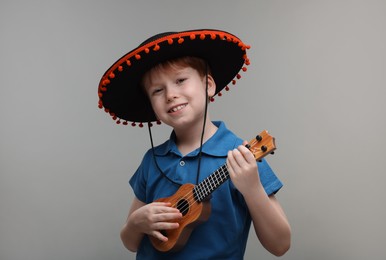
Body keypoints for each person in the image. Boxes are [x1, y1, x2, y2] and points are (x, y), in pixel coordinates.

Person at [98, 29, 291, 259]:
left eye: (180, 80)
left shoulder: (241, 157)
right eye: (157, 90)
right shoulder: (153, 161)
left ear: (208, 85)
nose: (170, 95)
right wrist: (135, 224)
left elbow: (280, 245)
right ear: (152, 106)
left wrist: (252, 188)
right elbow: (130, 242)